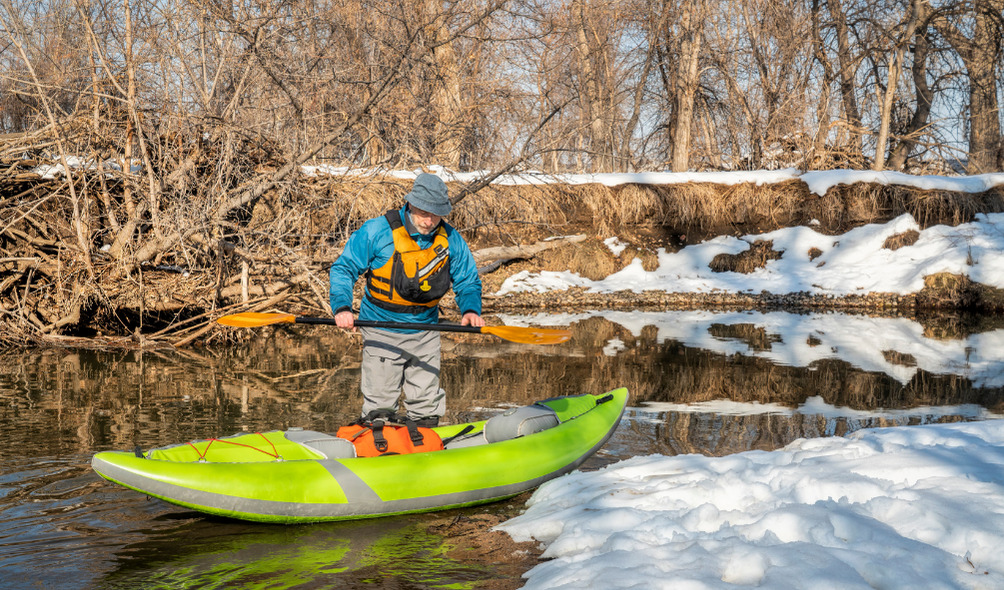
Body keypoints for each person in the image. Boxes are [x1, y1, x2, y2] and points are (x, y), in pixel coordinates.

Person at [329, 173, 484, 427]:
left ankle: (423, 445)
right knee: (380, 408)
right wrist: (343, 308)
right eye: (424, 212)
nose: (429, 220)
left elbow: (467, 280)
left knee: (426, 406)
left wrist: (470, 310)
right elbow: (343, 269)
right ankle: (378, 444)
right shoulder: (377, 231)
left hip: (426, 331)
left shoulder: (451, 239)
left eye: (436, 214)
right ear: (410, 204)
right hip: (381, 329)